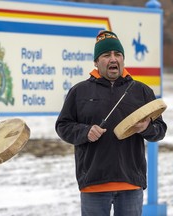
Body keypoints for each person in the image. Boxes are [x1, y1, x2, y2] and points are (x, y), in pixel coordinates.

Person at [55, 30, 167, 216]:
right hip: (93, 184)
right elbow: (63, 126)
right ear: (96, 62)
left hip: (131, 183)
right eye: (106, 55)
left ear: (123, 59)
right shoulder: (79, 91)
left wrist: (146, 128)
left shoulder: (141, 91)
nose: (113, 59)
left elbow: (160, 130)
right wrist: (85, 132)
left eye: (118, 54)